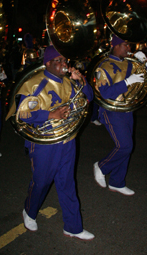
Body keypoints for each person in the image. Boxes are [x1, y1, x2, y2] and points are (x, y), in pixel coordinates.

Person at [7, 45, 95, 240]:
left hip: (67, 140)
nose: (64, 65)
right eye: (59, 61)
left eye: (65, 61)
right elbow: (21, 114)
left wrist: (81, 80)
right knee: (42, 182)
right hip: (43, 144)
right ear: (48, 63)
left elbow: (88, 98)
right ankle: (29, 211)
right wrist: (50, 114)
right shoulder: (34, 83)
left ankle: (73, 227)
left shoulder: (68, 82)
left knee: (67, 183)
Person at [93, 35, 147, 195]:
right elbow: (105, 93)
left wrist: (146, 62)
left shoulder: (130, 63)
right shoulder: (104, 66)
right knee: (125, 146)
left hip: (127, 110)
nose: (129, 48)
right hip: (111, 111)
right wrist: (127, 82)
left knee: (127, 147)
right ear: (116, 46)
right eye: (125, 45)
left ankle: (117, 182)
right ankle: (101, 166)